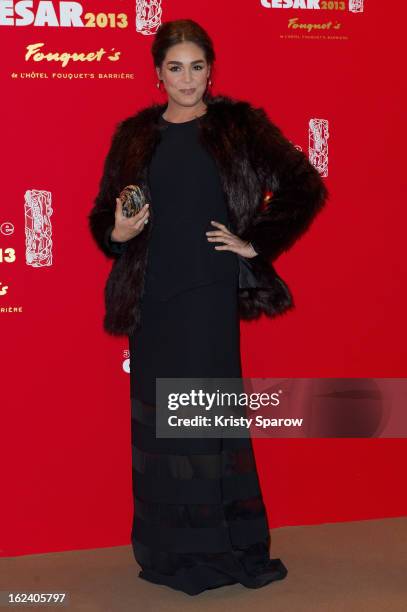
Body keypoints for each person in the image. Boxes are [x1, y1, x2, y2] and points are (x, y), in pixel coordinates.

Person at [88, 19, 328, 596]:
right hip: (152, 299)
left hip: (207, 293)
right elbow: (104, 216)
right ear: (157, 75)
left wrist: (255, 242)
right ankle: (169, 550)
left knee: (202, 420)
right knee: (163, 430)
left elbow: (304, 185)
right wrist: (117, 231)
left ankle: (221, 548)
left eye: (197, 67)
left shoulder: (238, 127)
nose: (187, 78)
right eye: (175, 67)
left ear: (211, 72)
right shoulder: (134, 137)